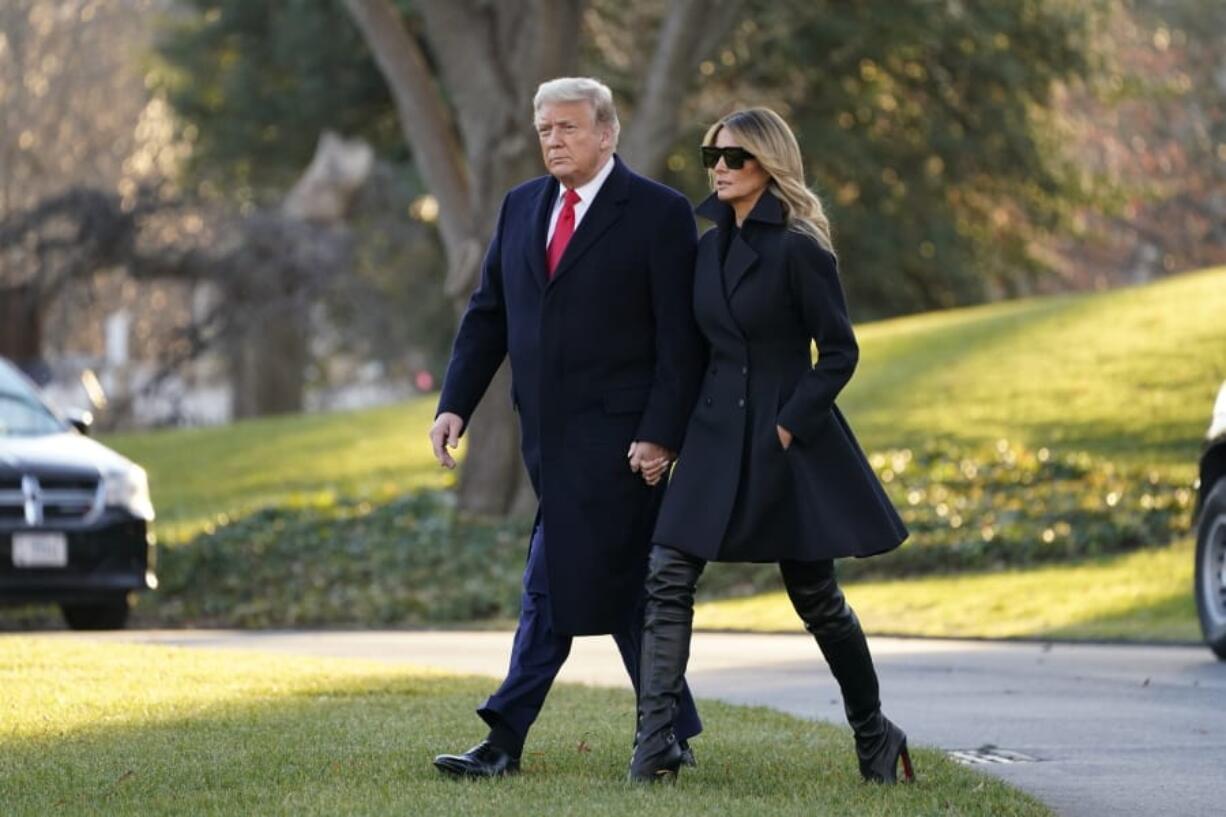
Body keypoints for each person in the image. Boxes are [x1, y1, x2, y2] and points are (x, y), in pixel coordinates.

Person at [428, 77, 705, 779]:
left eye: (569, 128)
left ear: (607, 133)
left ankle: (503, 737)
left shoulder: (658, 213)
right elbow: (490, 313)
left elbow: (681, 340)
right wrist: (454, 401)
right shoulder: (521, 205)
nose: (554, 139)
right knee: (616, 582)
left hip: (622, 443)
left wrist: (660, 432)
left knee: (550, 581)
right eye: (545, 129)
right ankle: (669, 728)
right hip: (547, 440)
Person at [627, 108, 913, 784]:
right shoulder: (705, 250)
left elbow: (839, 352)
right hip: (713, 438)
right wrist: (665, 437)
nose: (719, 168)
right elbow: (690, 355)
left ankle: (875, 731)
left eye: (735, 158)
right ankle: (654, 742)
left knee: (816, 596)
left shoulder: (798, 249)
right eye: (712, 157)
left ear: (768, 165)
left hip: (785, 445)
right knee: (668, 572)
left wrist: (789, 422)